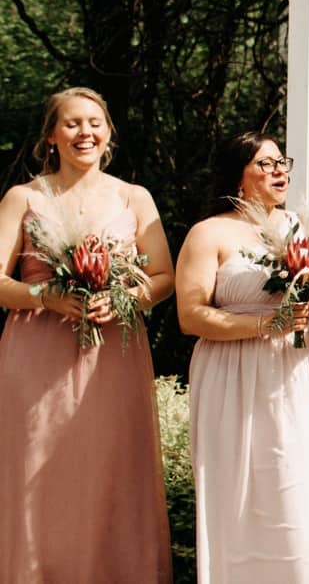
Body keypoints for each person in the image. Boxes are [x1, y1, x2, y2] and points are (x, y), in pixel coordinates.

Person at [0, 86, 176, 584]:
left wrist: (123, 298)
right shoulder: (24, 197)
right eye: (73, 123)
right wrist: (45, 297)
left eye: (95, 123)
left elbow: (163, 278)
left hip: (113, 354)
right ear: (51, 136)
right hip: (38, 352)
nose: (86, 132)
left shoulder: (133, 197)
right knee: (38, 469)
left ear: (109, 133)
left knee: (112, 469)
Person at [176, 131, 309, 584]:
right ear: (238, 176)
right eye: (264, 164)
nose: (279, 171)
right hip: (231, 377)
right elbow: (191, 317)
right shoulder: (209, 232)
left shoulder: (299, 228)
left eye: (281, 162)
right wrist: (269, 326)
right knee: (238, 499)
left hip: (291, 376)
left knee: (298, 492)